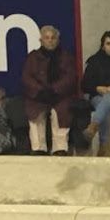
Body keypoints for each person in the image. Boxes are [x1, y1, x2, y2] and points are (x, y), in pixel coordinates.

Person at [20, 24, 77, 155]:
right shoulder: (33, 57)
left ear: (58, 40)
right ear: (41, 40)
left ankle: (60, 148)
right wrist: (40, 91)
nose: (50, 41)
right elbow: (26, 78)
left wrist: (55, 90)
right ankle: (38, 148)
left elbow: (70, 77)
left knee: (61, 113)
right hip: (38, 96)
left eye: (53, 38)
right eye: (47, 38)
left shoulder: (66, 57)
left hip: (60, 96)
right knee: (35, 114)